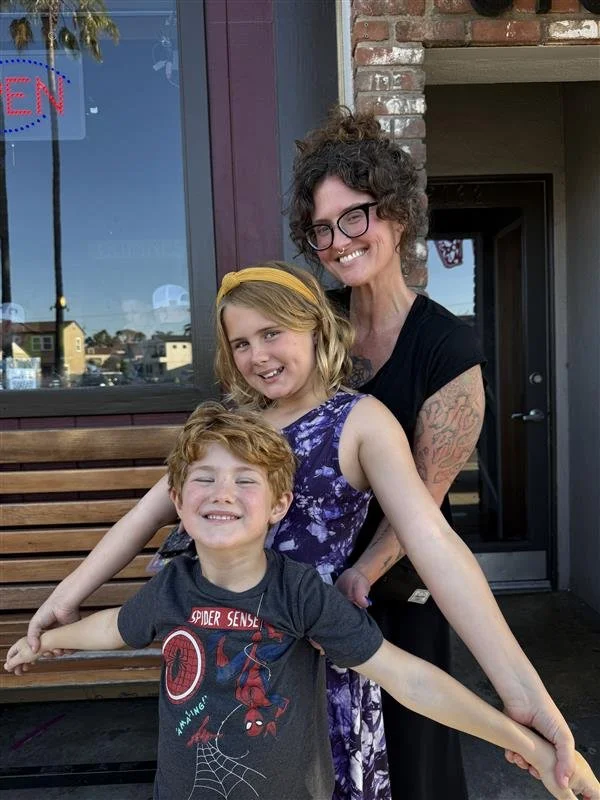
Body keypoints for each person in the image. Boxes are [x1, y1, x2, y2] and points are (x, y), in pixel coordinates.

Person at [24, 265, 575, 800]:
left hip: (315, 653)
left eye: (272, 333)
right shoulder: (233, 425)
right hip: (222, 648)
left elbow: (432, 540)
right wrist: (65, 598)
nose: (257, 355)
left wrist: (521, 692)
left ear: (315, 326)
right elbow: (147, 514)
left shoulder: (361, 421)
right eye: (240, 343)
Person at [287, 106, 484, 798]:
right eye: (320, 228)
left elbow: (423, 502)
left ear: (396, 214)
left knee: (412, 753)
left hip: (397, 584)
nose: (337, 242)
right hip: (307, 584)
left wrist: (360, 577)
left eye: (354, 216)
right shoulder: (315, 328)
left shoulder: (447, 348)